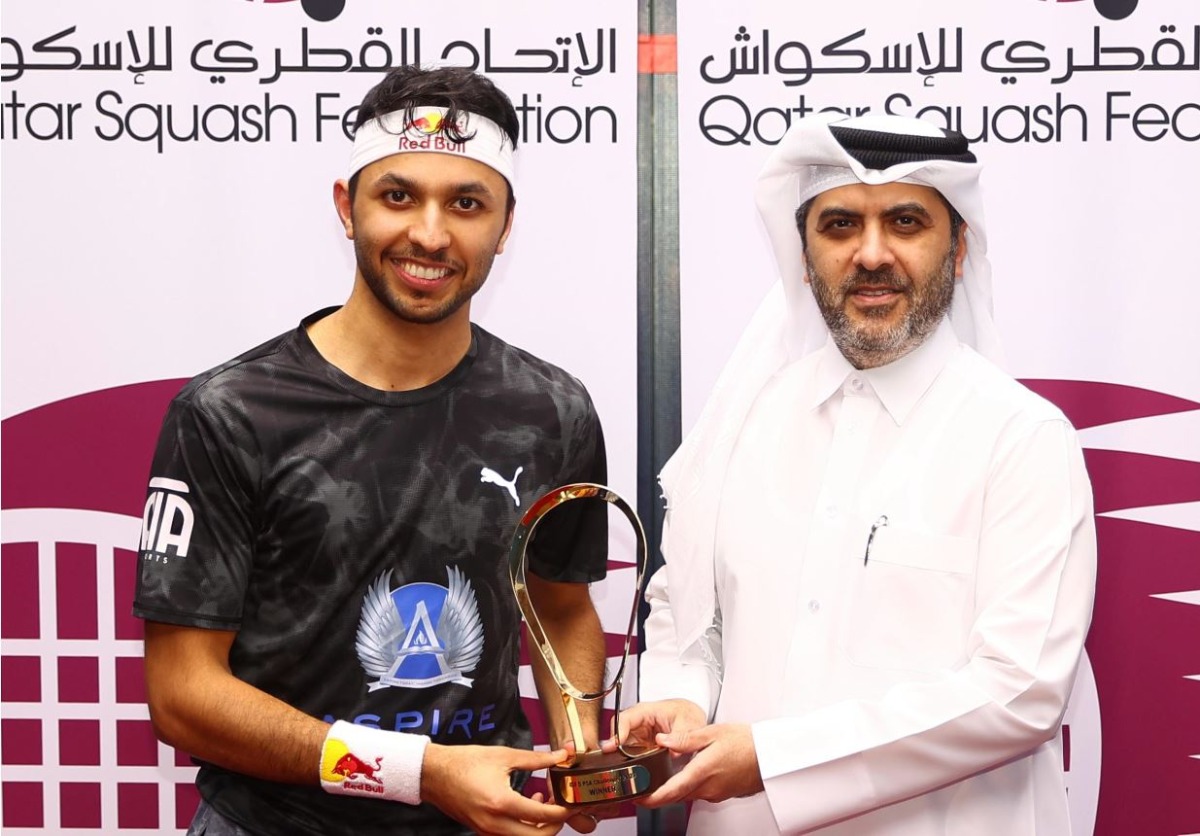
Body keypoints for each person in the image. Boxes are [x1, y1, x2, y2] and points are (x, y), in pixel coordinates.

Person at [134, 65, 610, 836]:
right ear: (345, 207)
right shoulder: (229, 413)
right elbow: (183, 694)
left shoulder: (551, 410)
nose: (430, 234)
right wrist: (422, 772)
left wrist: (576, 754)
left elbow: (560, 608)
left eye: (466, 203)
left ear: (505, 225)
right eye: (398, 196)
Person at [609, 114, 1097, 834]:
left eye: (905, 221)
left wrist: (775, 759)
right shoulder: (743, 421)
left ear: (959, 250)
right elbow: (690, 616)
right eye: (840, 225)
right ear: (805, 258)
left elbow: (1021, 691)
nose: (871, 254)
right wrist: (681, 697)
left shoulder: (1021, 438)